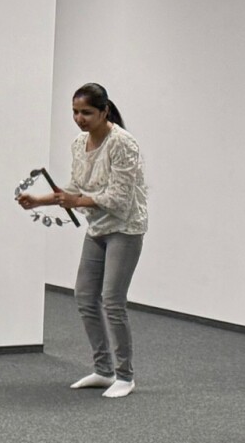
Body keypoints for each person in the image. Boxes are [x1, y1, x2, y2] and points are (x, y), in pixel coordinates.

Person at [17, 82, 148, 398]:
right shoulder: (79, 143)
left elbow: (118, 199)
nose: (79, 119)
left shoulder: (123, 144)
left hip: (125, 228)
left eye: (86, 112)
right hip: (98, 229)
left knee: (112, 301)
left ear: (104, 111)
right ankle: (103, 370)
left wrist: (77, 202)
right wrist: (38, 201)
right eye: (75, 112)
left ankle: (125, 376)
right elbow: (75, 187)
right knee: (85, 297)